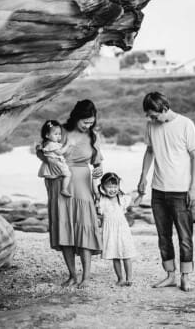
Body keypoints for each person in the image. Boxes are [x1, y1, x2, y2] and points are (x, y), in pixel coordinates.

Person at [36, 99, 103, 288]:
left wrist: (99, 171)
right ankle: (72, 275)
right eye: (85, 122)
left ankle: (86, 277)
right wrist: (44, 156)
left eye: (91, 122)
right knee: (64, 229)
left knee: (84, 228)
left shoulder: (93, 136)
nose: (88, 125)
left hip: (83, 183)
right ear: (76, 117)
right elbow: (42, 153)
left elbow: (97, 162)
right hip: (60, 184)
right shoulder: (61, 131)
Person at [137, 91, 195, 292]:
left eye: (154, 115)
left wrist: (193, 188)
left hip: (181, 191)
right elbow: (149, 151)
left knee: (184, 237)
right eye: (149, 116)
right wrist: (142, 177)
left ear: (164, 108)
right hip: (158, 190)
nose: (151, 119)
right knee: (163, 236)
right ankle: (170, 275)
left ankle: (186, 277)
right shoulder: (151, 126)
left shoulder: (186, 124)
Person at [98, 172, 137, 286]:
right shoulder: (102, 200)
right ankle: (120, 278)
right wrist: (94, 179)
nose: (112, 189)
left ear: (119, 187)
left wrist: (141, 194)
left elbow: (134, 203)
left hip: (123, 230)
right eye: (109, 187)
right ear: (103, 187)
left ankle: (129, 278)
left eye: (115, 186)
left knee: (126, 255)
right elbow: (95, 192)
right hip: (110, 232)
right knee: (115, 256)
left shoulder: (122, 198)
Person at [37, 120, 72, 197]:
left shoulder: (47, 143)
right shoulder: (52, 144)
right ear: (47, 135)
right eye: (56, 134)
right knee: (68, 174)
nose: (59, 136)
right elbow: (60, 152)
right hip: (57, 164)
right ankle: (64, 189)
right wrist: (67, 145)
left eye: (59, 134)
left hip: (53, 165)